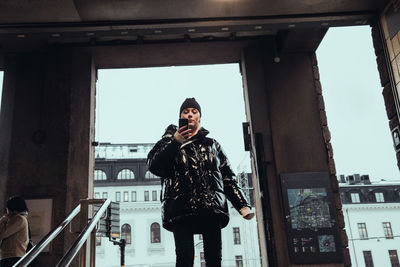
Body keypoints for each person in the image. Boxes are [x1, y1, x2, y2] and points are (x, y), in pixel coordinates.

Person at [147, 97, 254, 267]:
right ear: (180, 116)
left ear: (200, 117)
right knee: (184, 257)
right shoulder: (168, 142)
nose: (189, 115)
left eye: (194, 112)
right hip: (180, 206)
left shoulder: (212, 145)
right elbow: (154, 165)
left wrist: (242, 204)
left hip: (210, 206)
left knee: (214, 258)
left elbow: (227, 177)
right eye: (185, 112)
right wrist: (175, 142)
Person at [0, 196, 29, 267]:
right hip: (9, 256)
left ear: (13, 209)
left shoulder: (19, 219)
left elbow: (2, 234)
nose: (7, 211)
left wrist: (4, 219)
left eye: (7, 208)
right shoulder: (17, 219)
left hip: (13, 257)